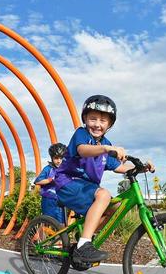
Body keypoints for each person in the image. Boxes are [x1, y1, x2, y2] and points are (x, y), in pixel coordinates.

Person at [54, 95, 154, 263]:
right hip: (68, 182)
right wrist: (106, 149)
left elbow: (119, 167)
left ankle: (85, 236)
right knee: (104, 194)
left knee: (117, 207)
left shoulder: (106, 143)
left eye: (103, 121)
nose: (97, 124)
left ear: (110, 125)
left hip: (87, 188)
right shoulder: (82, 134)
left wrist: (141, 168)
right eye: (93, 119)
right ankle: (84, 246)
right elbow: (83, 150)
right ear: (85, 118)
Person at [34, 143, 67, 224]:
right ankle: (47, 235)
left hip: (61, 200)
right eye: (56, 158)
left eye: (61, 158)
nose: (59, 161)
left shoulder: (65, 169)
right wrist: (49, 180)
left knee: (61, 224)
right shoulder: (48, 169)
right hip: (49, 200)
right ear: (52, 158)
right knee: (48, 222)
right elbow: (37, 181)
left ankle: (60, 236)